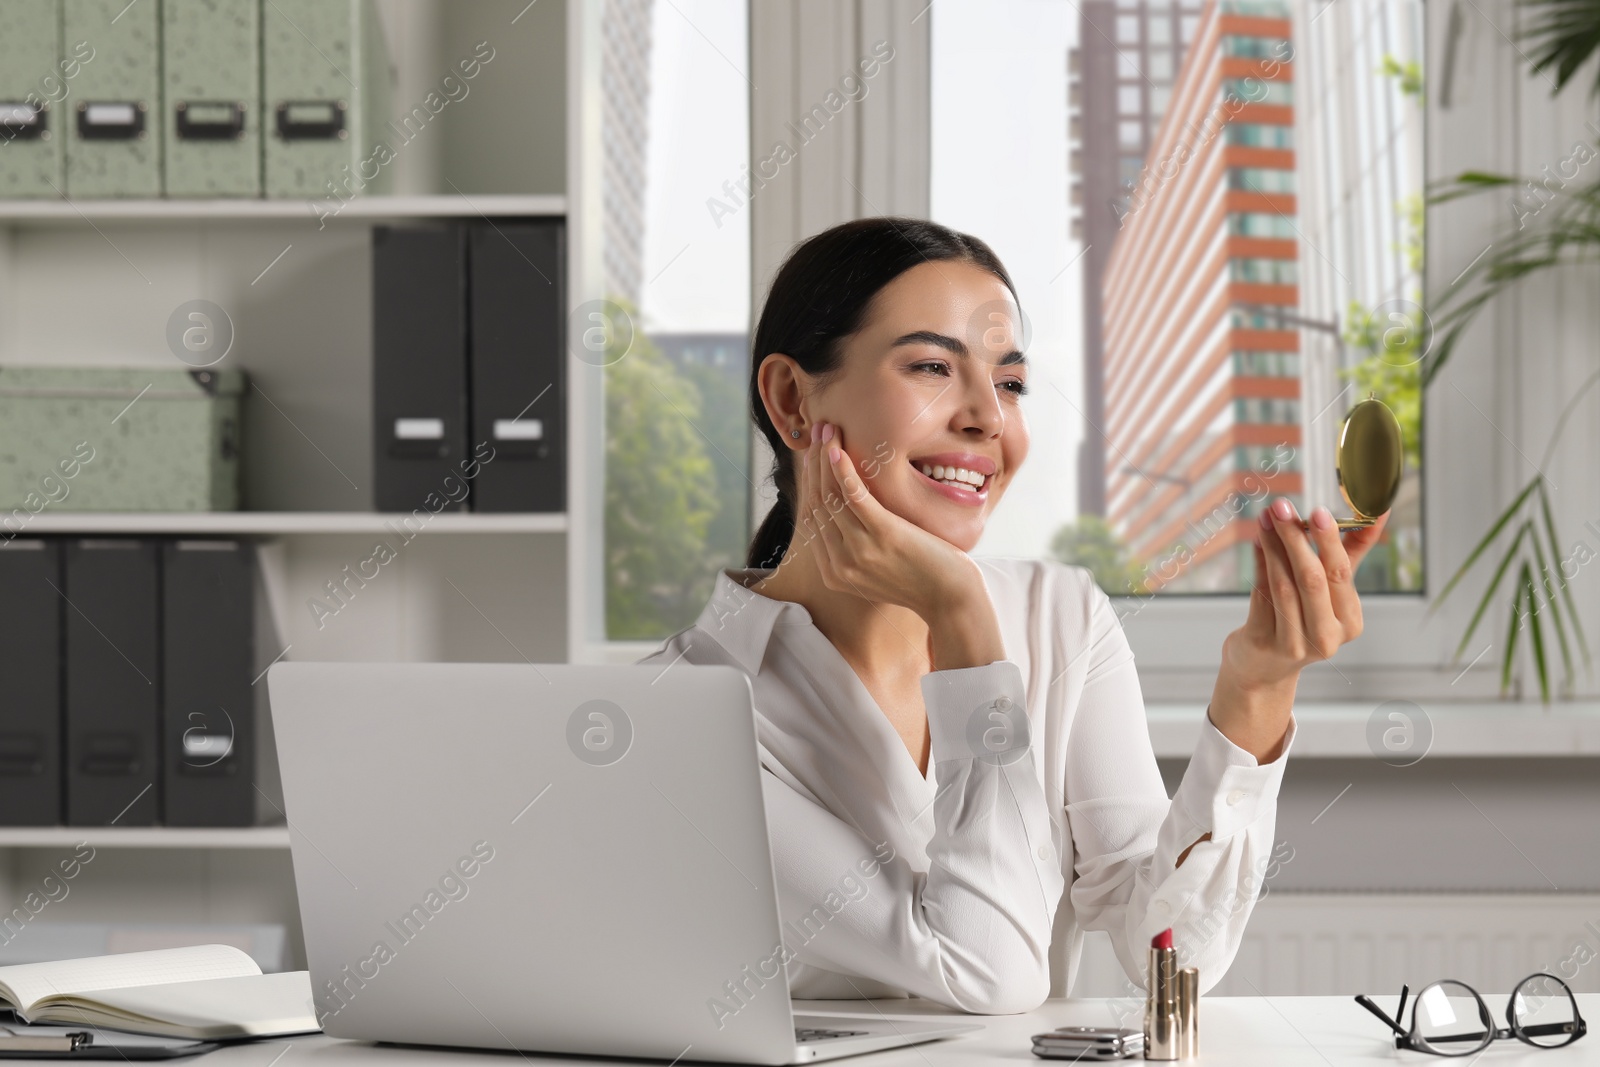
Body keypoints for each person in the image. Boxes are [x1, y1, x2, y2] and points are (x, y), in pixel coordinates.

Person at [637, 216, 1389, 1013]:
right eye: (932, 366)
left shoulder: (1061, 615)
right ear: (793, 401)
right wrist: (960, 620)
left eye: (1011, 382)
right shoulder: (682, 711)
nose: (987, 418)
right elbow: (987, 974)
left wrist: (1258, 688)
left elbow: (1171, 953)